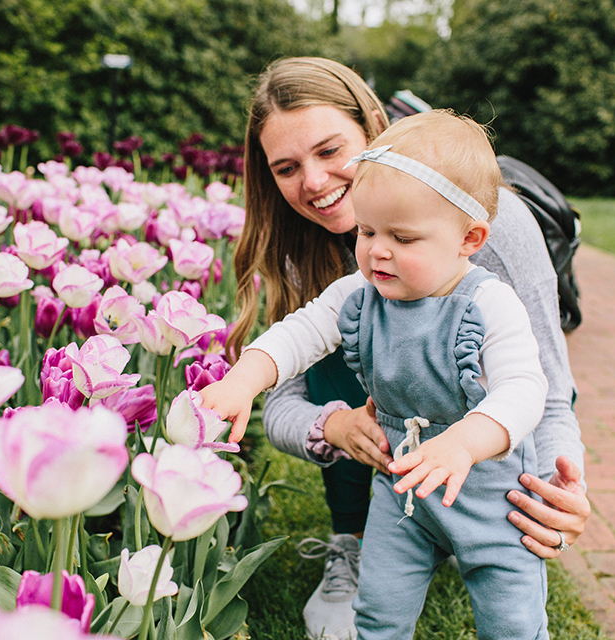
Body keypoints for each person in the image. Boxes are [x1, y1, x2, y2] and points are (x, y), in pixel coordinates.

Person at [226, 57, 589, 640]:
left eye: (328, 151)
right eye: (287, 167)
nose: (315, 182)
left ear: (374, 127)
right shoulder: (350, 279)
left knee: (512, 618)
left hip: (487, 476)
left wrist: (558, 492)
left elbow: (535, 388)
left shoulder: (487, 261)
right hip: (396, 475)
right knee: (380, 611)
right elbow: (295, 349)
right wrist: (315, 416)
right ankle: (357, 539)